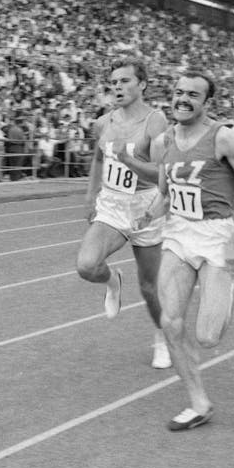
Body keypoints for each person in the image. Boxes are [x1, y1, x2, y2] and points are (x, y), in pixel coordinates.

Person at [140, 71, 234, 431]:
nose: (183, 99)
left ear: (206, 102)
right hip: (179, 236)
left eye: (193, 95)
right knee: (170, 321)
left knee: (207, 337)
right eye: (178, 92)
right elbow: (166, 193)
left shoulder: (223, 137)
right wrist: (147, 214)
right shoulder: (162, 141)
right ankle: (199, 402)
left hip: (216, 236)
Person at [76, 60, 171, 370]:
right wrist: (91, 195)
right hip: (112, 205)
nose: (116, 86)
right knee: (87, 266)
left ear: (142, 84)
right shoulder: (103, 123)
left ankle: (160, 337)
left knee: (149, 288)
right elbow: (99, 159)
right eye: (113, 81)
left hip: (145, 207)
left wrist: (128, 159)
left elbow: (162, 171)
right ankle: (113, 279)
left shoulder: (156, 122)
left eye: (124, 80)